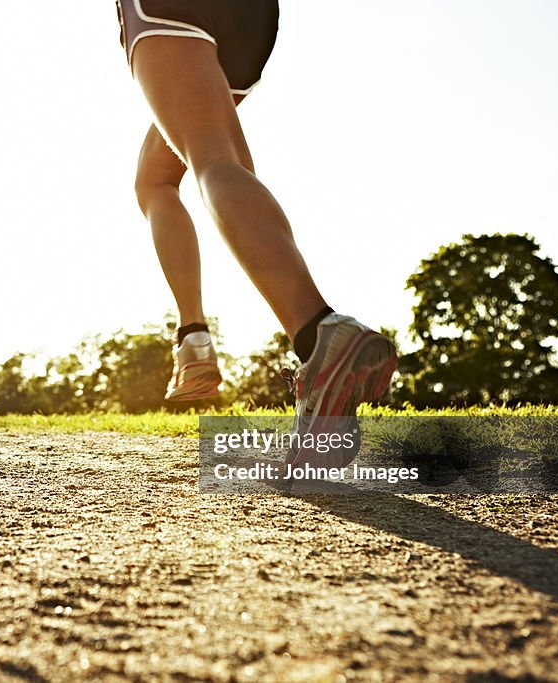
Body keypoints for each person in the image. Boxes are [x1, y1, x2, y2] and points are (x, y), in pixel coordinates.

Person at [116, 0, 397, 463]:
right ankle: (195, 338)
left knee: (211, 161)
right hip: (252, 18)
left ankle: (318, 333)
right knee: (163, 174)